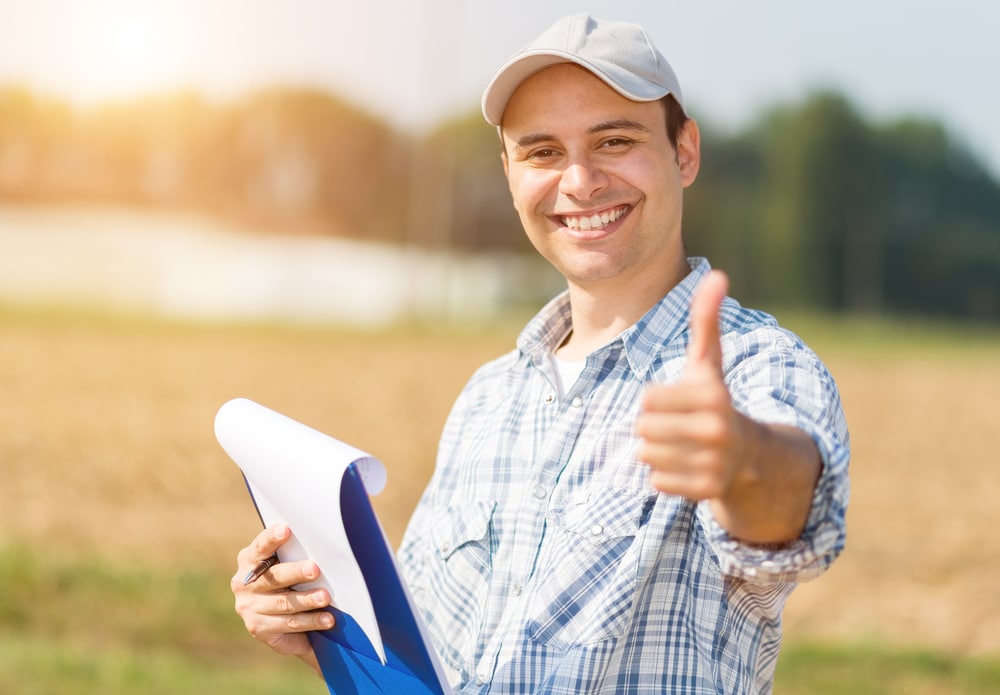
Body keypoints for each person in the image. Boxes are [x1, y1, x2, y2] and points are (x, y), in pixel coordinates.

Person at [231, 13, 850, 694]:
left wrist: (738, 459)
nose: (580, 181)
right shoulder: (488, 398)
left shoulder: (757, 366)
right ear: (509, 172)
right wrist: (323, 628)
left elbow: (784, 504)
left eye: (614, 140)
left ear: (686, 150)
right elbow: (428, 661)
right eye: (542, 151)